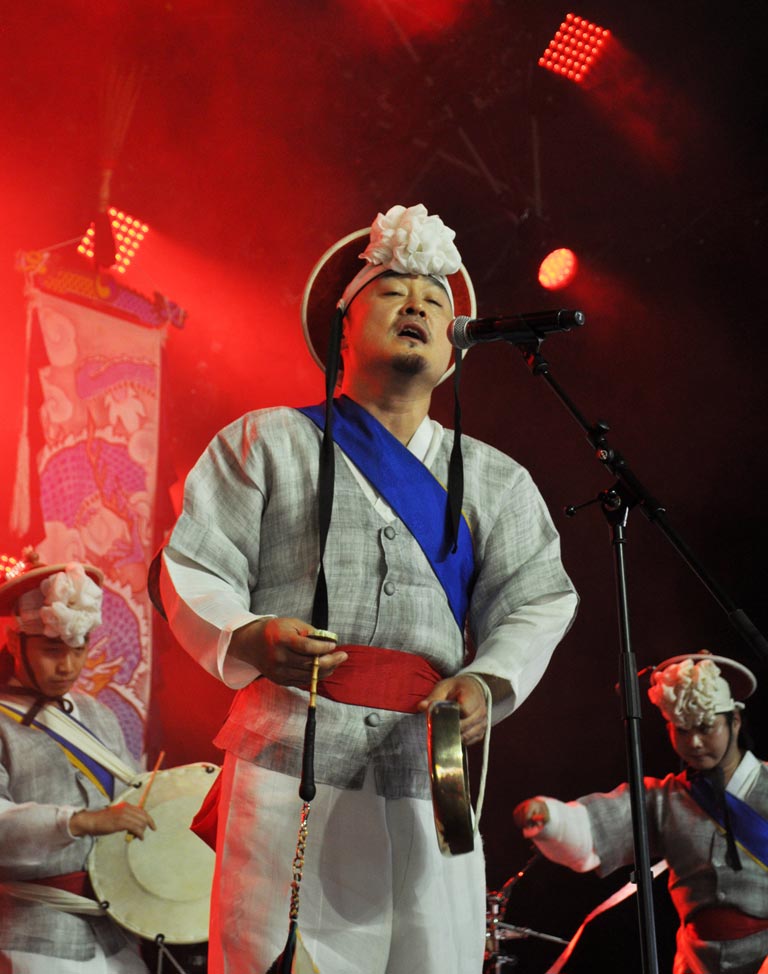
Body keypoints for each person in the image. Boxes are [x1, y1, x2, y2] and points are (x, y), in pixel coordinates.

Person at [155, 202, 578, 974]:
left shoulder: (497, 480)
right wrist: (249, 636)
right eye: (391, 291)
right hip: (288, 748)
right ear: (341, 328)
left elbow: (537, 598)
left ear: (454, 346)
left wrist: (487, 679)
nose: (417, 305)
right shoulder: (265, 441)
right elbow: (191, 565)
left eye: (435, 299)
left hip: (428, 764)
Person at [513, 651, 768, 974]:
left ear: (735, 720)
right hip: (697, 962)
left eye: (706, 727)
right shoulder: (664, 800)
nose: (695, 742)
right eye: (682, 730)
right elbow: (601, 823)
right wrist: (551, 818)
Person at [0, 552, 155, 974]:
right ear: (15, 643)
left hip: (117, 927)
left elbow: (133, 801)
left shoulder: (98, 715)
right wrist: (82, 821)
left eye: (78, 648)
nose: (67, 666)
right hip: (35, 939)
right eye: (52, 650)